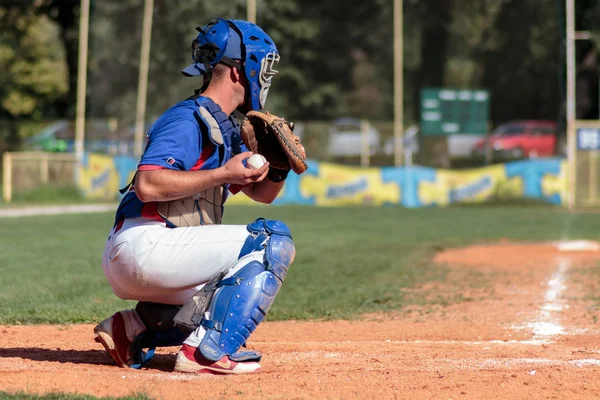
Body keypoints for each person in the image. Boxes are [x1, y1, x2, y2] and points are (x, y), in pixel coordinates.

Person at [93, 18, 296, 375]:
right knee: (271, 240)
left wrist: (278, 165)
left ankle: (131, 329)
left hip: (152, 250)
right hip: (146, 242)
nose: (266, 78)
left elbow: (262, 195)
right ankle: (204, 354)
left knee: (229, 296)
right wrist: (224, 173)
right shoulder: (188, 118)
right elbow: (148, 184)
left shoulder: (224, 125)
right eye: (263, 68)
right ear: (240, 70)